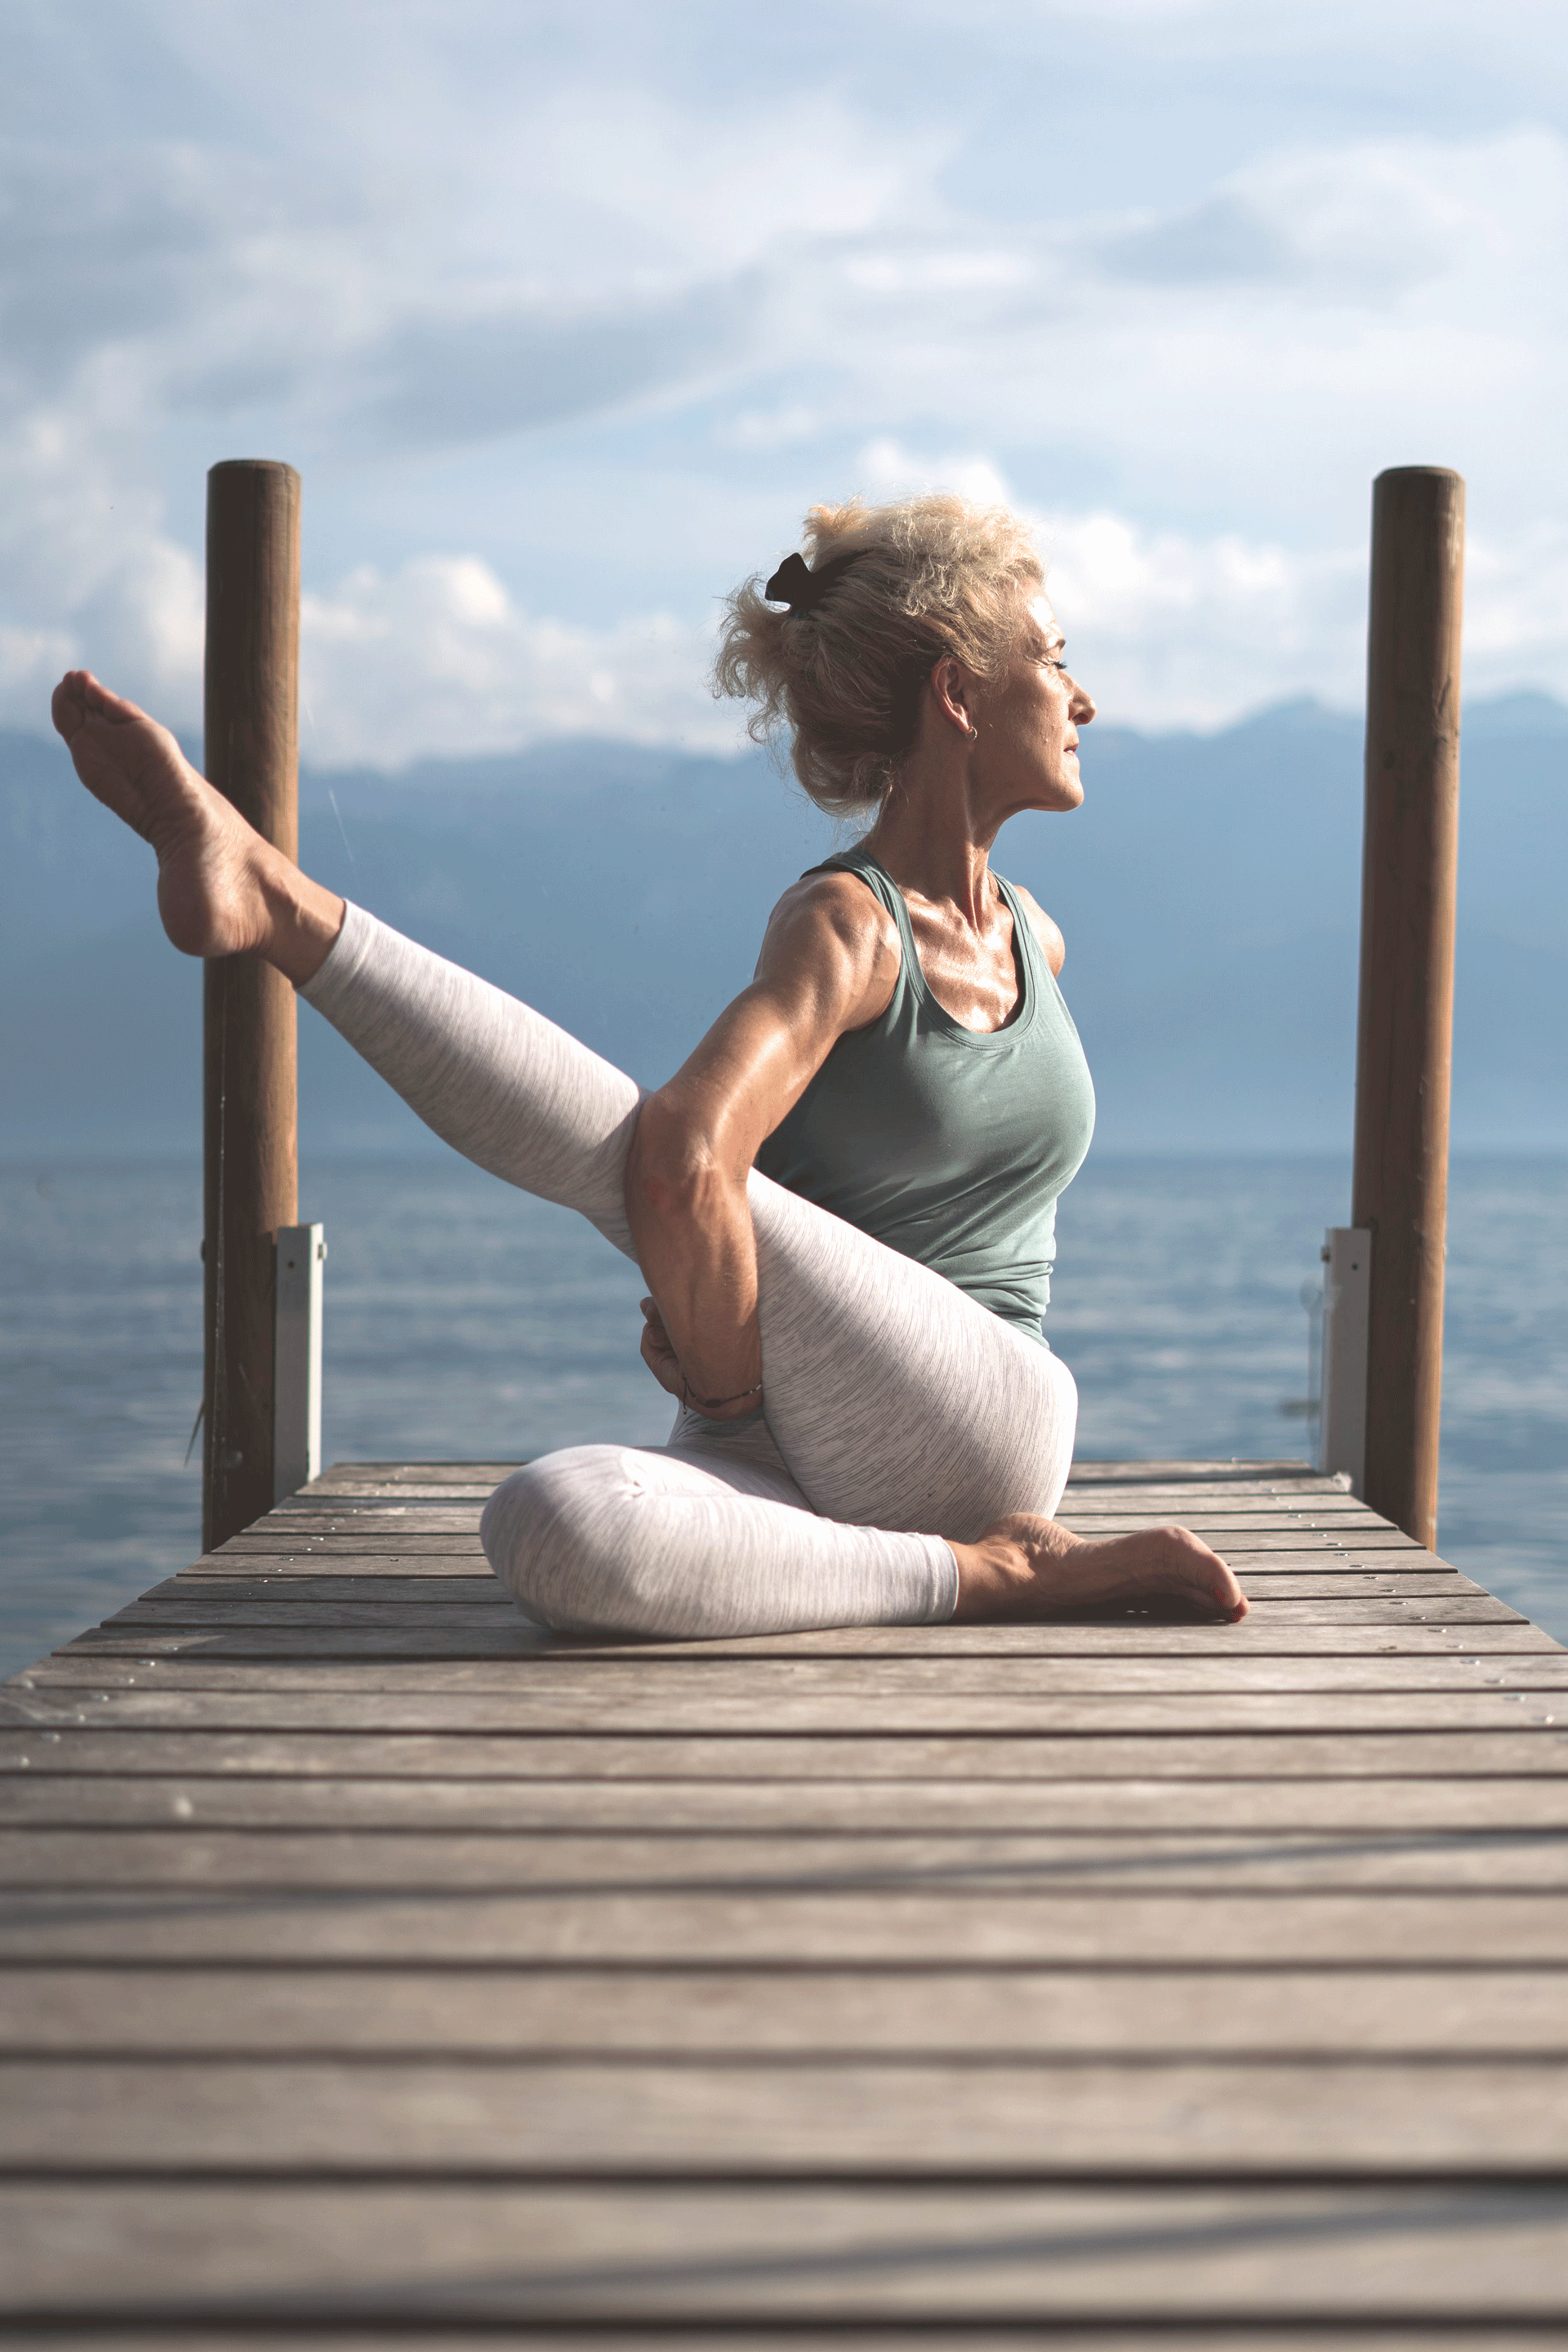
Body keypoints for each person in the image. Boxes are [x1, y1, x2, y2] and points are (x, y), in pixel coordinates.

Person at [51, 491, 1247, 1640]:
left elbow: (683, 1168)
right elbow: (688, 1169)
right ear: (960, 694)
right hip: (811, 1451)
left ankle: (283, 908)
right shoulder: (849, 927)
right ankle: (975, 1579)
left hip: (986, 1422)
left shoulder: (1038, 940)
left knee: (647, 1151)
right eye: (1054, 658)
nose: (1083, 697)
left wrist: (724, 1375)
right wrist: (727, 1392)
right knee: (555, 1526)